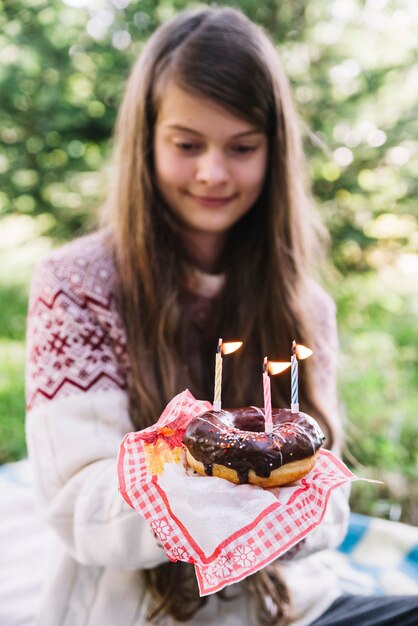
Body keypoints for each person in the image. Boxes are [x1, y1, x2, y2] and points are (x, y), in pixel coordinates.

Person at [25, 7, 418, 626]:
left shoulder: (304, 302)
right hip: (143, 613)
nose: (213, 172)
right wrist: (215, 483)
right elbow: (77, 506)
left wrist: (287, 504)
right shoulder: (76, 285)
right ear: (148, 140)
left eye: (242, 147)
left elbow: (330, 496)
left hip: (293, 608)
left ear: (274, 151)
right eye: (187, 145)